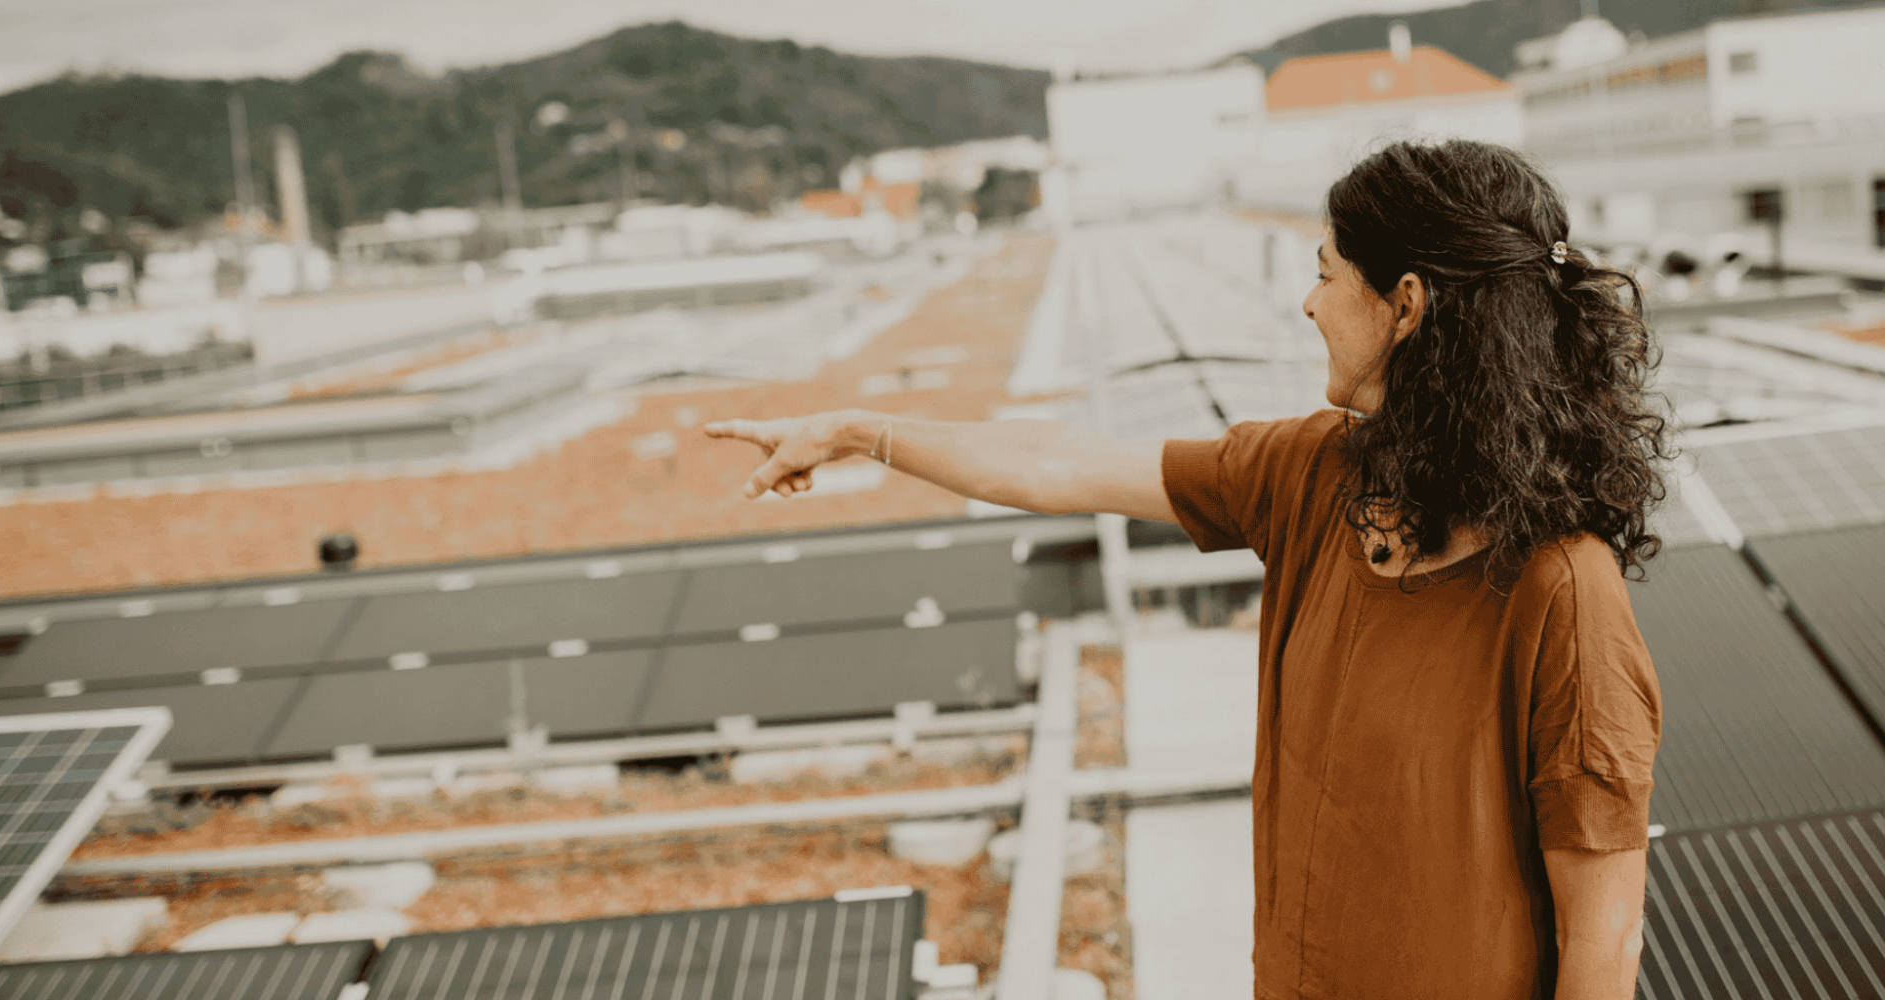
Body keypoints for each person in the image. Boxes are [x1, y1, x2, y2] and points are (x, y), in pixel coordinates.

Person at [706, 138, 1667, 999]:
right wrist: (857, 430)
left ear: (1405, 304)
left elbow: (1603, 936)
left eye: (1328, 272)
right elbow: (1062, 464)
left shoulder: (1562, 590)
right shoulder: (1314, 475)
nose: (1307, 300)